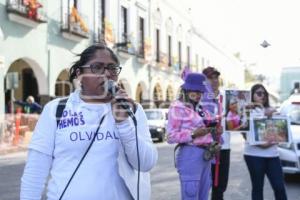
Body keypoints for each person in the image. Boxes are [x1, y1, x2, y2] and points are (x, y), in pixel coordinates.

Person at [20, 44, 158, 200]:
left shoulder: (132, 109)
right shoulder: (56, 110)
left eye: (112, 68)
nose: (107, 74)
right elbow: (35, 170)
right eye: (97, 67)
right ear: (79, 74)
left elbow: (146, 164)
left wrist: (124, 124)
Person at [167, 72, 221, 200]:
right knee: (191, 195)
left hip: (206, 156)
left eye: (200, 91)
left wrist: (215, 130)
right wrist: (192, 134)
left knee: (204, 196)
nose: (198, 94)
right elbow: (170, 136)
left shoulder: (201, 109)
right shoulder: (177, 107)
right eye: (195, 91)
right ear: (186, 89)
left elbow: (209, 126)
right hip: (190, 155)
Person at [244, 83, 287, 200]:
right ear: (252, 95)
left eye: (264, 93)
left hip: (272, 155)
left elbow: (281, 131)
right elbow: (245, 132)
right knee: (258, 188)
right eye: (259, 93)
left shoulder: (273, 111)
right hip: (253, 155)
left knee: (279, 187)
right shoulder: (247, 111)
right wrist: (264, 114)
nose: (262, 96)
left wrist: (275, 116)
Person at [202, 66, 229, 200]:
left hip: (224, 147)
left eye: (216, 77)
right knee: (205, 185)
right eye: (210, 78)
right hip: (206, 147)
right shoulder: (200, 99)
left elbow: (237, 119)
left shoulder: (227, 97)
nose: (214, 80)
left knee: (221, 186)